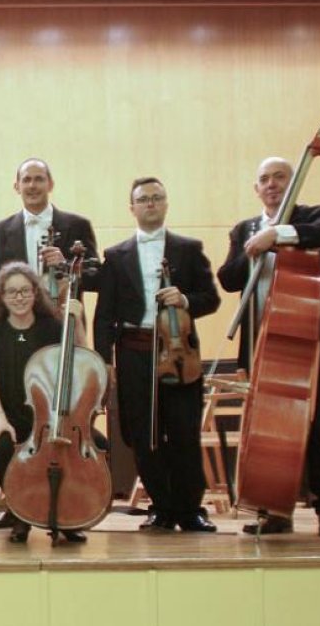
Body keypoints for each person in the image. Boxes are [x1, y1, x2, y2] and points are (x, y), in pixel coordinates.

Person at [217, 157, 320, 537]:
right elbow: (227, 280)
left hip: (304, 338)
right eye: (264, 179)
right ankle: (275, 509)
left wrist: (278, 235)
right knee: (267, 430)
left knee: (318, 424)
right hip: (261, 341)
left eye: (279, 177)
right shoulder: (244, 228)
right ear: (255, 188)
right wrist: (249, 251)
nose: (272, 184)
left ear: (292, 182)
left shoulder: (313, 215)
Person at [94, 177, 221, 533]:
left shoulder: (189, 249)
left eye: (156, 198)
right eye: (142, 199)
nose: (150, 204)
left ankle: (190, 509)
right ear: (131, 207)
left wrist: (185, 300)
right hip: (134, 353)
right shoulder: (115, 256)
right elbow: (104, 313)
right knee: (143, 435)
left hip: (178, 354)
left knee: (183, 432)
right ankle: (161, 509)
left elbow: (210, 298)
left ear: (165, 204)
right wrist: (105, 360)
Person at [0, 262, 88, 543]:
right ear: (1, 297)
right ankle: (20, 513)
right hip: (10, 413)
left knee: (93, 446)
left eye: (25, 291)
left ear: (35, 294)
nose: (19, 297)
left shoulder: (52, 327)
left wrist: (77, 324)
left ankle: (64, 514)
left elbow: (82, 364)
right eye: (12, 292)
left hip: (52, 415)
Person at [0, 158, 98, 284]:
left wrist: (65, 266)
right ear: (17, 187)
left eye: (39, 179)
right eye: (26, 180)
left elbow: (96, 280)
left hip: (62, 304)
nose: (32, 186)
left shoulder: (78, 226)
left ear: (50, 185)